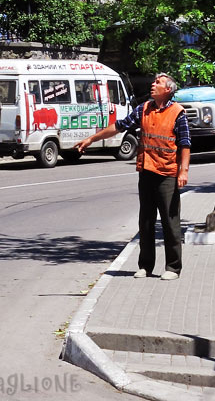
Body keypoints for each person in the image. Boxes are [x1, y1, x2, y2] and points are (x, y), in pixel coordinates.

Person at [75, 73, 190, 280]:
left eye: (158, 83)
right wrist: (91, 138)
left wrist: (183, 171)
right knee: (145, 221)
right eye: (154, 82)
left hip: (166, 174)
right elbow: (118, 126)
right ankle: (145, 266)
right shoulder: (143, 109)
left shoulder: (177, 113)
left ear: (168, 90)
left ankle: (173, 268)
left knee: (169, 222)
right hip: (146, 171)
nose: (153, 85)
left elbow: (185, 145)